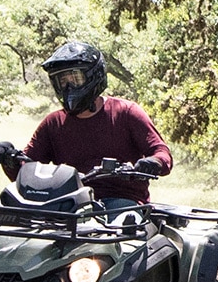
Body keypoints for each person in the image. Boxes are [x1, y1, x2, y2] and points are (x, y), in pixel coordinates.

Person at [16, 39, 172, 204]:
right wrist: (8, 158)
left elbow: (161, 152)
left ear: (94, 76)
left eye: (75, 78)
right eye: (63, 81)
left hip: (122, 202)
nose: (69, 87)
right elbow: (26, 173)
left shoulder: (126, 112)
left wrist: (153, 162)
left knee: (120, 224)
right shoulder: (53, 123)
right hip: (68, 204)